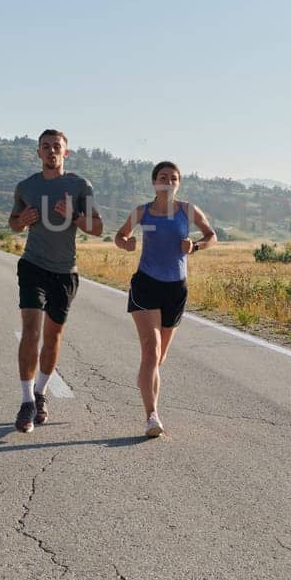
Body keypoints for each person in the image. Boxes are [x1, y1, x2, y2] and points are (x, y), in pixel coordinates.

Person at [8, 128, 103, 433]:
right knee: (31, 330)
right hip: (32, 265)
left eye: (56, 147)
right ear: (38, 152)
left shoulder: (79, 186)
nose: (51, 151)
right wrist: (20, 222)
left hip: (65, 271)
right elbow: (13, 223)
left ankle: (41, 393)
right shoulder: (25, 187)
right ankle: (26, 402)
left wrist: (75, 216)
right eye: (45, 147)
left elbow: (98, 228)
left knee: (53, 336)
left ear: (66, 152)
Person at [113, 161, 215, 437]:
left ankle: (145, 378)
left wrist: (195, 246)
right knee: (151, 350)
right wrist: (127, 243)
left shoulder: (187, 210)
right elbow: (120, 236)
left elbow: (211, 236)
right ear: (154, 182)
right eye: (162, 177)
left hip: (176, 288)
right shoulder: (142, 212)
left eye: (173, 178)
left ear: (178, 183)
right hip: (146, 284)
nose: (167, 181)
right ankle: (152, 416)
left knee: (159, 358)